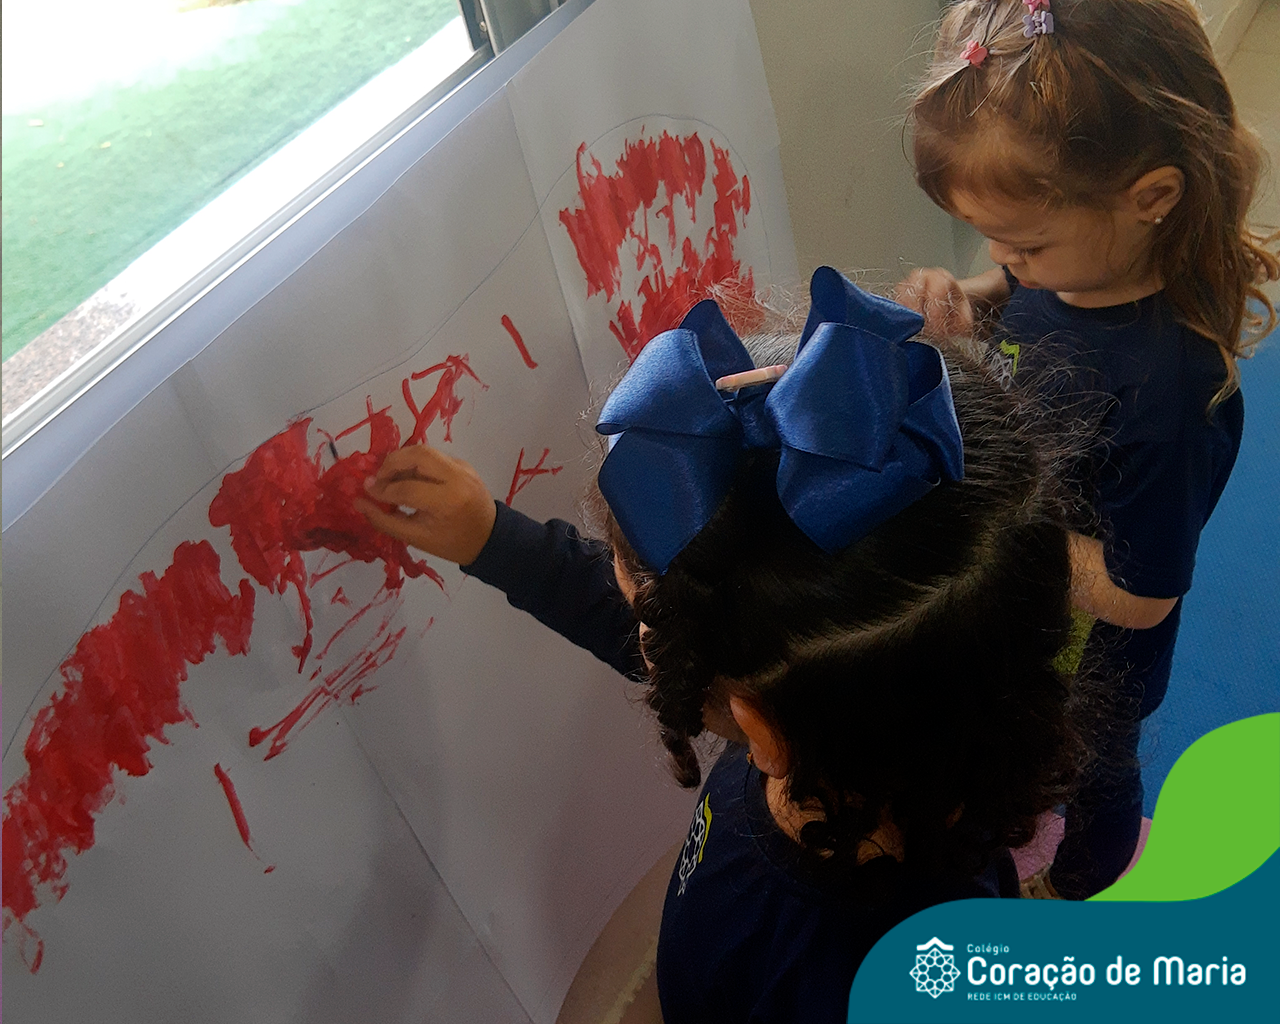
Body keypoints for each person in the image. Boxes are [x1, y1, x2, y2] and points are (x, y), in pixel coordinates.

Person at [357, 269, 1090, 1022]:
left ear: (762, 729)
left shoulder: (856, 979)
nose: (635, 618)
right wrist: (491, 537)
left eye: (647, 609)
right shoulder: (907, 719)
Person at [894, 0, 1279, 899]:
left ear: (1152, 198)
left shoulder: (1167, 396)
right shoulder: (1072, 268)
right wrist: (971, 295)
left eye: (1024, 242)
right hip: (1038, 596)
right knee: (1028, 737)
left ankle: (1084, 876)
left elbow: (1142, 597)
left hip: (1097, 650)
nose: (1005, 255)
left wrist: (998, 526)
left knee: (1093, 765)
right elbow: (1022, 295)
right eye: (990, 237)